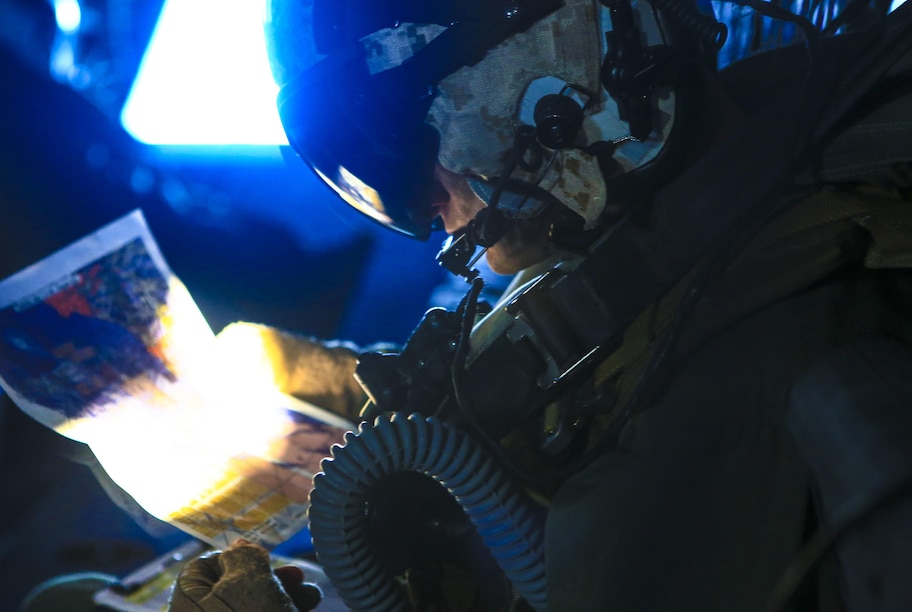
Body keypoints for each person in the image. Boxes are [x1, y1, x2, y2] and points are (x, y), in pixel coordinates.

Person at [170, 0, 912, 610]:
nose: (426, 204)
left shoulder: (736, 377)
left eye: (395, 145)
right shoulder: (731, 178)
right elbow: (591, 347)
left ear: (556, 60)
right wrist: (339, 378)